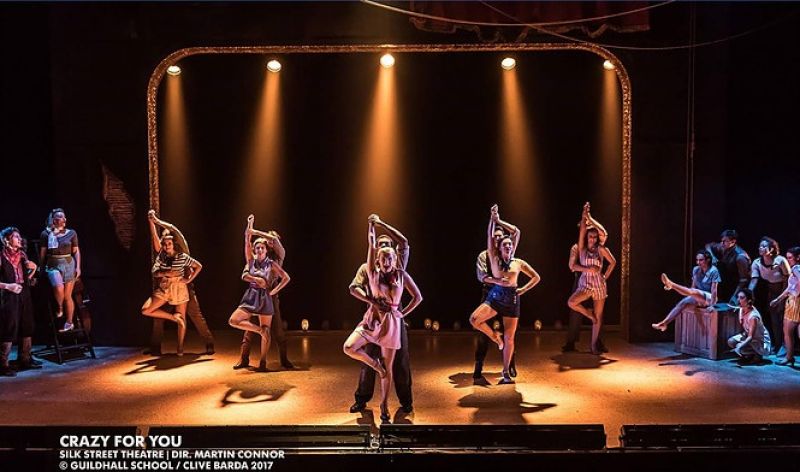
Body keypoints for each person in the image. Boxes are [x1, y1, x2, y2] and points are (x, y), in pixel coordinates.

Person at [343, 217, 422, 422]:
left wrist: (381, 224)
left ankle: (404, 401)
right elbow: (354, 288)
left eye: (388, 245)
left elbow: (404, 243)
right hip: (374, 314)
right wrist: (372, 300)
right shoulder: (367, 267)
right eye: (381, 246)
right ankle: (362, 398)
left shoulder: (398, 266)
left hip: (394, 316)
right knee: (368, 360)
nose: (385, 250)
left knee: (400, 362)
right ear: (377, 253)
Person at [469, 205, 540, 384]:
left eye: (509, 243)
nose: (506, 244)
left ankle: (507, 371)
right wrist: (492, 219)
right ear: (499, 248)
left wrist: (522, 290)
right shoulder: (492, 256)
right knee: (475, 320)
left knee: (510, 337)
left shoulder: (517, 261)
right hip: (494, 294)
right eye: (503, 243)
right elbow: (489, 238)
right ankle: (494, 339)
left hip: (512, 299)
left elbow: (516, 232)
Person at [145, 211, 214, 355]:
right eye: (165, 242)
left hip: (184, 286)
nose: (167, 244)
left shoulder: (181, 250)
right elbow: (156, 243)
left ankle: (208, 343)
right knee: (158, 316)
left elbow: (173, 229)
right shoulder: (164, 253)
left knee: (195, 314)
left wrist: (156, 221)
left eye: (169, 241)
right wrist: (151, 223)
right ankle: (155, 347)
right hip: (167, 288)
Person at [229, 215, 291, 372]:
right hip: (254, 294)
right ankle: (244, 358)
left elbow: (285, 277)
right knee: (249, 330)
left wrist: (255, 231)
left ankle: (283, 360)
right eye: (266, 241)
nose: (269, 242)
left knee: (277, 329)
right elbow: (247, 263)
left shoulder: (278, 256)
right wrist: (249, 227)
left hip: (270, 295)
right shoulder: (257, 257)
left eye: (271, 240)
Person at [567, 203, 616, 355]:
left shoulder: (600, 248)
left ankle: (594, 345)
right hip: (584, 283)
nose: (593, 238)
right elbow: (572, 266)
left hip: (599, 285)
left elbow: (613, 262)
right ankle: (587, 317)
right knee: (572, 303)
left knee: (599, 316)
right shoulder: (580, 248)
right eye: (590, 236)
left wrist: (605, 276)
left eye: (594, 236)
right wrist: (585, 216)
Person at [474, 226, 518, 379]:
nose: (497, 239)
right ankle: (478, 365)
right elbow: (481, 276)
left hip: (506, 295)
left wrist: (498, 221)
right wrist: (497, 281)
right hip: (490, 293)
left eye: (500, 236)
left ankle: (510, 365)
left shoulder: (507, 251)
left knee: (509, 333)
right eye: (495, 236)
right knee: (482, 330)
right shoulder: (484, 255)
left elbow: (516, 233)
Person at [1, 227, 40, 376]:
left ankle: (25, 359)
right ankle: (3, 364)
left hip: (24, 292)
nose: (19, 239)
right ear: (7, 240)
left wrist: (34, 269)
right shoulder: (1, 256)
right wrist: (8, 286)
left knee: (27, 324)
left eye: (19, 236)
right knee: (9, 326)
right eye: (15, 236)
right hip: (8, 295)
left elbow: (26, 278)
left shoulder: (22, 254)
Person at [652, 249, 720, 331]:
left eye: (701, 260)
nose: (698, 262)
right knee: (682, 303)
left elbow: (714, 290)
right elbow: (693, 287)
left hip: (710, 298)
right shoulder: (696, 269)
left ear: (708, 260)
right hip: (698, 295)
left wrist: (712, 305)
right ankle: (664, 324)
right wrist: (694, 298)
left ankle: (672, 285)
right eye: (697, 260)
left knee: (694, 292)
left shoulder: (714, 271)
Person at [39, 208, 81, 332]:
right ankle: (60, 307)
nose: (62, 219)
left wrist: (78, 267)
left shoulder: (71, 233)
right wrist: (41, 267)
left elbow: (76, 251)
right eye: (59, 216)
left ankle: (69, 322)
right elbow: (43, 253)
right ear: (53, 220)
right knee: (58, 286)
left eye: (63, 216)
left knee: (68, 296)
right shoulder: (46, 234)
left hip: (68, 263)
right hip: (53, 263)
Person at [748, 237, 790, 355]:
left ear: (771, 249)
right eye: (760, 246)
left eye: (763, 246)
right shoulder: (757, 262)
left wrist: (781, 298)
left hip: (786, 291)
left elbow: (788, 280)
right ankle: (777, 344)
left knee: (784, 319)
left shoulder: (780, 260)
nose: (760, 248)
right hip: (771, 292)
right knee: (774, 320)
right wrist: (747, 293)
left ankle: (785, 345)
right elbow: (754, 280)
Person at [770, 247, 800, 366]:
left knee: (788, 331)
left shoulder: (796, 268)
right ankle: (789, 357)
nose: (788, 260)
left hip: (795, 302)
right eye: (787, 258)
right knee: (791, 332)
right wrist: (778, 299)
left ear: (798, 257)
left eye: (790, 258)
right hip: (793, 301)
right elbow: (790, 288)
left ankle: (789, 357)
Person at [706, 230, 751, 305]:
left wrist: (735, 297)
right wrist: (713, 257)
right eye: (721, 241)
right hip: (726, 282)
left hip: (736, 286)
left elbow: (744, 280)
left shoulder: (740, 257)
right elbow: (708, 246)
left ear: (733, 241)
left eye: (725, 241)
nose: (722, 243)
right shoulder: (724, 247)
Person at [727, 288, 771, 364]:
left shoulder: (753, 316)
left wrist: (740, 346)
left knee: (741, 348)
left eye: (741, 298)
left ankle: (757, 354)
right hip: (749, 337)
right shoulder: (742, 309)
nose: (738, 300)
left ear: (749, 300)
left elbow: (751, 337)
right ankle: (750, 354)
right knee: (731, 341)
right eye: (738, 297)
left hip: (759, 341)